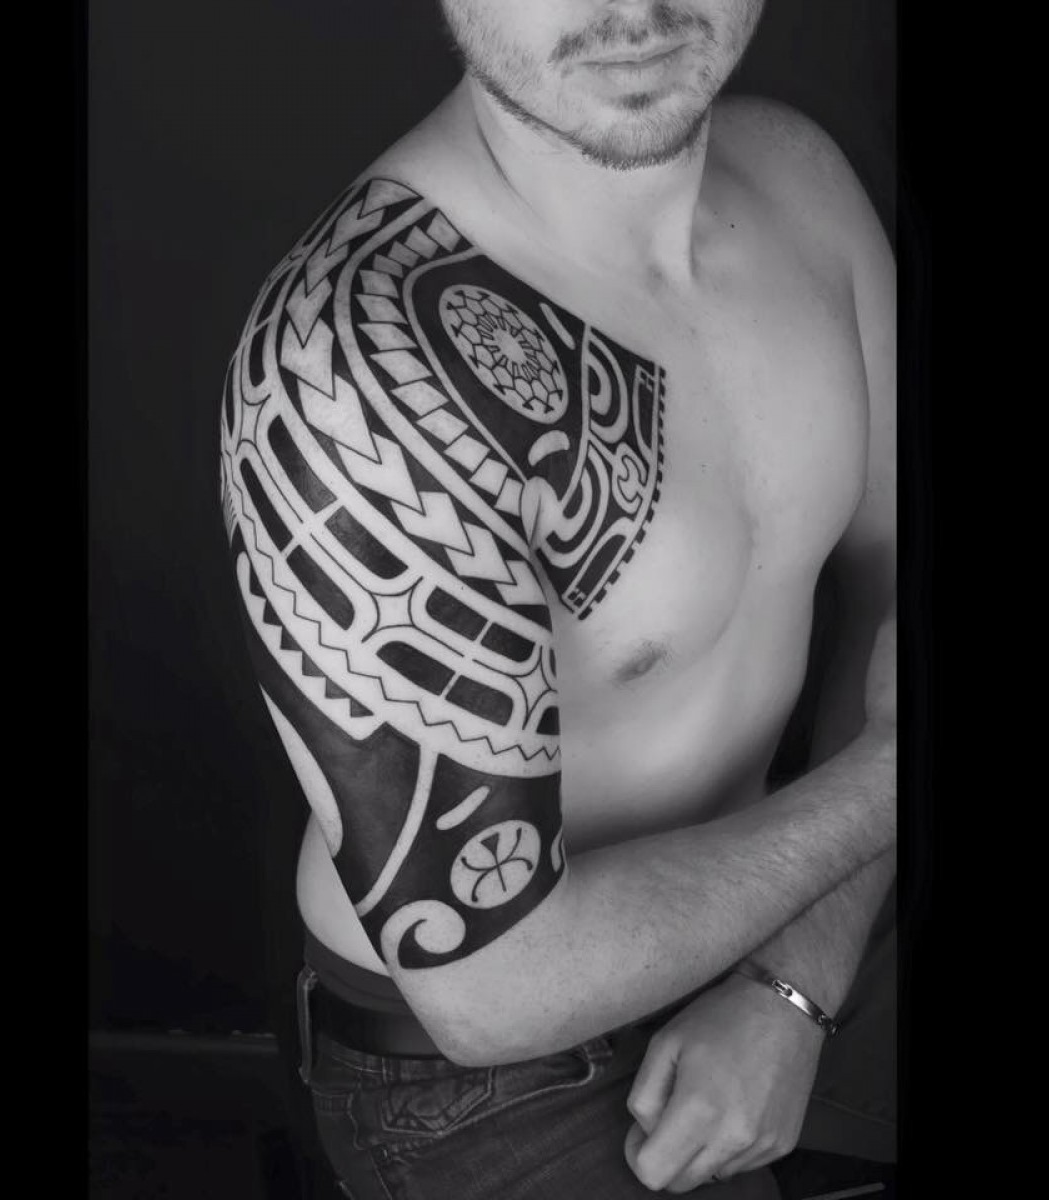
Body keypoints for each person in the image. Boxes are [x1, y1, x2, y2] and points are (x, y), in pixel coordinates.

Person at [218, 1, 896, 1195]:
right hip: (496, 1075)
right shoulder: (352, 369)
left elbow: (891, 591)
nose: (634, 10)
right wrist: (889, 782)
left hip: (791, 912)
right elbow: (496, 988)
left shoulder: (801, 182)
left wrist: (793, 982)